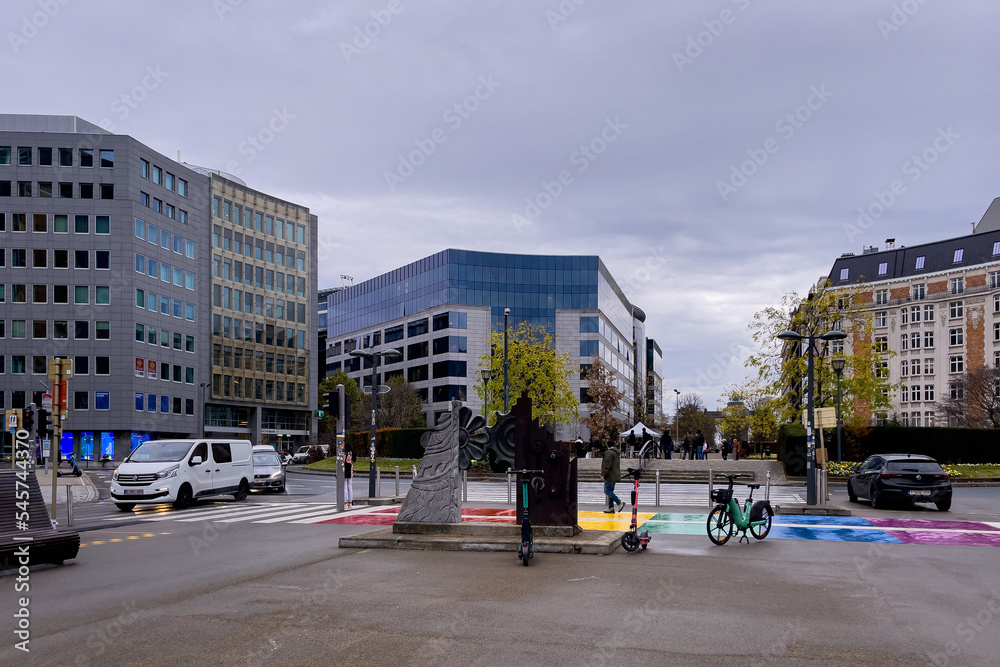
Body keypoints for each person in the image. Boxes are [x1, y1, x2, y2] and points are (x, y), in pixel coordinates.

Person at [601, 441, 624, 514]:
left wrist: (603, 474)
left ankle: (619, 502)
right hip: (614, 475)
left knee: (607, 490)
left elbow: (606, 464)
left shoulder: (609, 453)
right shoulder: (616, 453)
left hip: (609, 475)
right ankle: (611, 507)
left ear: (607, 445)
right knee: (610, 491)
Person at [343, 444, 354, 509]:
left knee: (345, 487)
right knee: (350, 486)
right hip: (350, 471)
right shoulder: (352, 454)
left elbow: (342, 462)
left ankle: (345, 502)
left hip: (344, 471)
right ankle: (350, 502)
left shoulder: (345, 455)